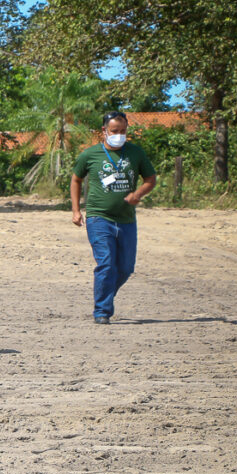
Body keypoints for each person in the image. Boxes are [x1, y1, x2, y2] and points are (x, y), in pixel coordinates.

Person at [71, 111, 157, 324]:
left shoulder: (135, 153)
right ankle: (102, 311)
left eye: (123, 131)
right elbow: (76, 180)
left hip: (127, 220)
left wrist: (138, 194)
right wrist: (75, 210)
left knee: (126, 268)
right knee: (106, 263)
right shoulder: (89, 155)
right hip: (99, 218)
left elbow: (150, 179)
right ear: (104, 131)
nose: (119, 135)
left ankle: (105, 293)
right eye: (114, 131)